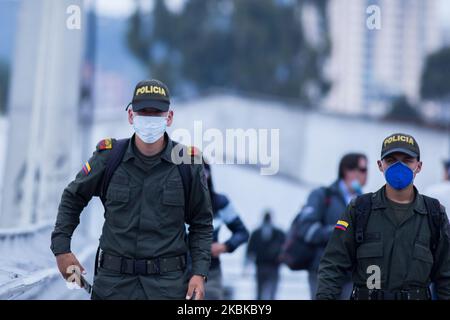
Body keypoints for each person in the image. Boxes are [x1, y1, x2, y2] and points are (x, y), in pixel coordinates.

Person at [50, 79, 213, 300]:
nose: (149, 118)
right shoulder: (108, 158)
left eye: (156, 113)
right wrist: (62, 250)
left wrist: (199, 273)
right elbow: (73, 197)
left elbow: (201, 223)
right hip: (113, 285)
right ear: (130, 116)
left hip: (166, 287)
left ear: (169, 117)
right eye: (143, 111)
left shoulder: (187, 164)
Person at [317, 133, 450, 300]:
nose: (399, 166)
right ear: (380, 165)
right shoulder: (359, 209)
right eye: (391, 160)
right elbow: (333, 265)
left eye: (407, 160)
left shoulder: (434, 214)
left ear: (419, 166)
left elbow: (446, 276)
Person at [296, 153, 368, 299]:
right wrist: (340, 231)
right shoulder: (323, 195)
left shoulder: (363, 201)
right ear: (347, 171)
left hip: (351, 275)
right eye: (362, 169)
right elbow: (306, 230)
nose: (366, 174)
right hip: (324, 273)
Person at [203, 161, 249, 300]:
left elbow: (242, 233)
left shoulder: (220, 203)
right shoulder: (172, 203)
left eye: (202, 172)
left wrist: (224, 246)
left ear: (208, 175)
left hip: (210, 274)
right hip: (178, 275)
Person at [246, 211, 285, 300]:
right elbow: (250, 251)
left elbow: (285, 249)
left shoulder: (278, 233)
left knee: (269, 293)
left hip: (272, 266)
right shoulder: (257, 233)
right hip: (262, 266)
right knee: (261, 292)